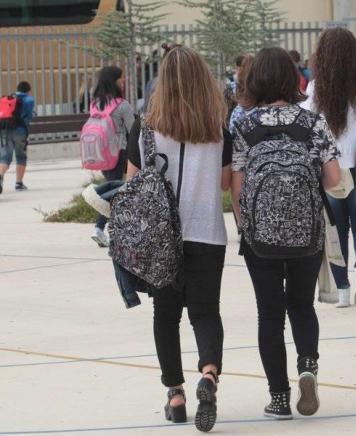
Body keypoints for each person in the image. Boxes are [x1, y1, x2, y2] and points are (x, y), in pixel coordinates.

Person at [231, 46, 340, 419]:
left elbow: (237, 186)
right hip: (306, 232)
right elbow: (335, 178)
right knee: (301, 305)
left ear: (255, 79)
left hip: (260, 236)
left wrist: (245, 226)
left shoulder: (243, 126)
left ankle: (278, 398)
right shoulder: (313, 122)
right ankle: (307, 366)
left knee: (269, 315)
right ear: (292, 79)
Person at [126, 45, 231, 432]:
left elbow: (131, 184)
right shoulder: (219, 128)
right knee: (205, 311)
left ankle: (176, 394)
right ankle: (209, 374)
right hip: (207, 232)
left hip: (160, 239)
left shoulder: (145, 127)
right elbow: (223, 183)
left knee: (166, 315)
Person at [302, 27, 356, 309]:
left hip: (330, 170)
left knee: (335, 231)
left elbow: (307, 122)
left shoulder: (316, 86)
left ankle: (344, 291)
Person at [90, 66, 135, 247]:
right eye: (120, 78)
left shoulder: (95, 103)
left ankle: (115, 227)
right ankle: (99, 228)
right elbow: (134, 130)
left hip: (100, 153)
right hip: (119, 153)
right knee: (117, 193)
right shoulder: (122, 105)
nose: (123, 81)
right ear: (114, 81)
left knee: (117, 190)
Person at [0, 81, 35, 194]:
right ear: (28, 90)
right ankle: (18, 183)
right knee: (20, 156)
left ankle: (0, 175)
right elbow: (29, 116)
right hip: (20, 131)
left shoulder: (10, 98)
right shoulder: (29, 99)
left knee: (5, 158)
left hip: (5, 130)